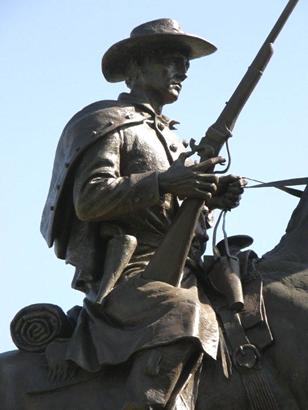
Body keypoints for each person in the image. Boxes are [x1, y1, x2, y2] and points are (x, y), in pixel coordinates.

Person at [41, 18, 245, 409]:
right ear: (135, 68)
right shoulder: (107, 123)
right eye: (170, 59)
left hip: (189, 269)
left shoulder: (172, 136)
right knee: (181, 312)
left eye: (185, 63)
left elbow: (175, 211)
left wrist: (211, 196)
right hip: (133, 275)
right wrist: (167, 182)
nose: (182, 70)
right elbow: (90, 199)